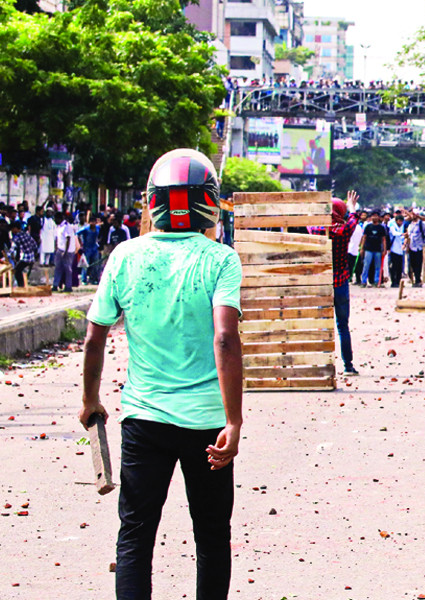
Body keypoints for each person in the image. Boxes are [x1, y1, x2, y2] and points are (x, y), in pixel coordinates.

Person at [78, 149, 243, 600]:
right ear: (207, 201)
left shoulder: (125, 256)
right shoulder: (221, 260)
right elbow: (225, 339)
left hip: (143, 421)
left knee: (135, 536)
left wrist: (91, 400)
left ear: (154, 201)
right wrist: (234, 421)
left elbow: (94, 340)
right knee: (211, 535)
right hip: (207, 424)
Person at [329, 191, 361, 375]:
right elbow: (353, 219)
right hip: (340, 283)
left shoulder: (316, 229)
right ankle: (348, 365)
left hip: (322, 285)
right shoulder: (344, 231)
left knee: (322, 324)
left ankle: (322, 365)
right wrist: (351, 207)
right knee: (342, 325)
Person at [52, 213, 79, 293]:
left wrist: (66, 251)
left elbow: (68, 239)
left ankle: (68, 286)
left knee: (67, 269)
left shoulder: (66, 227)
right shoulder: (59, 227)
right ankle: (55, 285)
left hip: (67, 251)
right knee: (58, 268)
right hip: (60, 250)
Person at [359, 212, 387, 287]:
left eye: (376, 216)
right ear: (371, 217)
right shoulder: (368, 227)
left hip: (378, 249)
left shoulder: (381, 228)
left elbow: (383, 239)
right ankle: (363, 281)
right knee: (366, 265)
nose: (375, 217)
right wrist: (362, 248)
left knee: (378, 266)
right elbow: (364, 237)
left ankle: (376, 281)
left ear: (378, 217)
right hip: (368, 249)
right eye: (373, 216)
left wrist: (384, 249)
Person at [406, 210, 425, 287]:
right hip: (411, 247)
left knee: (418, 264)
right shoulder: (410, 225)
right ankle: (413, 279)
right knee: (412, 264)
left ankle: (418, 280)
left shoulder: (422, 225)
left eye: (414, 214)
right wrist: (407, 246)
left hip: (419, 247)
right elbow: (409, 236)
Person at [10, 221, 37, 287]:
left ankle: (21, 286)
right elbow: (35, 245)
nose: (12, 231)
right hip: (32, 258)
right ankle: (23, 285)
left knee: (17, 272)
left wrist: (8, 255)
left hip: (25, 258)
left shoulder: (17, 237)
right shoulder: (27, 235)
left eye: (12, 229)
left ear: (16, 228)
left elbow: (12, 248)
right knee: (22, 271)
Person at [77, 215, 102, 284]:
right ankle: (84, 279)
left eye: (94, 222)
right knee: (85, 264)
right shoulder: (85, 229)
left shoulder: (97, 228)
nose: (93, 223)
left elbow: (100, 234)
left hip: (94, 248)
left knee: (95, 264)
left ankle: (94, 279)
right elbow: (77, 234)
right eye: (91, 222)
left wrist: (99, 240)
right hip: (87, 248)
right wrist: (81, 244)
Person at [387, 212, 407, 288]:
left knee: (399, 267)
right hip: (393, 249)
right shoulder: (392, 226)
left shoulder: (402, 227)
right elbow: (394, 233)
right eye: (399, 221)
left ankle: (398, 281)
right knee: (393, 267)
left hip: (400, 249)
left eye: (401, 221)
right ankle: (393, 281)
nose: (400, 223)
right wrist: (401, 234)